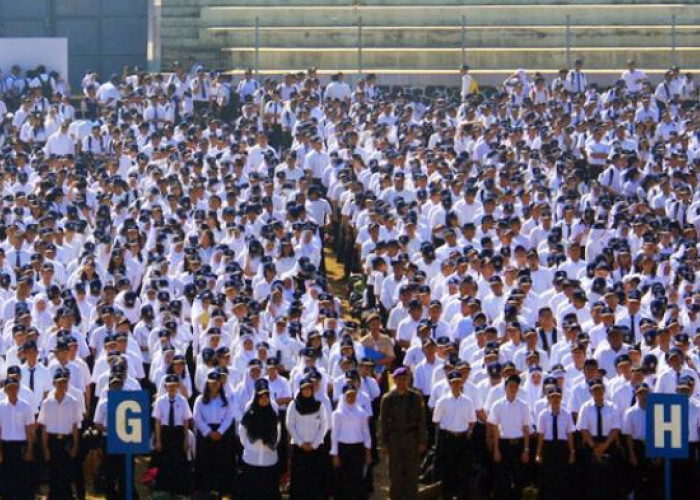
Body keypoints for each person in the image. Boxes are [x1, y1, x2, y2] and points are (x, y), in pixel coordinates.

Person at [379, 366, 428, 500]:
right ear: (394, 380)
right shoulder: (387, 399)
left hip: (411, 439)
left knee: (411, 473)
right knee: (395, 474)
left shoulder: (416, 397)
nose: (402, 382)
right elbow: (383, 422)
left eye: (404, 379)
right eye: (399, 379)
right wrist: (383, 443)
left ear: (409, 380)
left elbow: (421, 421)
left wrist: (422, 440)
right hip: (394, 440)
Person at [38, 368, 82, 500]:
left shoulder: (73, 402)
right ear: (54, 383)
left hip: (66, 441)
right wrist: (45, 448)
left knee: (66, 474)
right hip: (53, 442)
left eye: (64, 382)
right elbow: (44, 428)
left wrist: (75, 446)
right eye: (59, 382)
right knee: (53, 474)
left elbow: (75, 426)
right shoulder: (47, 403)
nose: (62, 385)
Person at [432, 370, 476, 500]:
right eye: (453, 383)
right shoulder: (442, 401)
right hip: (448, 438)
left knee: (462, 470)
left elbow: (472, 421)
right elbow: (436, 421)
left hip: (462, 439)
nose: (456, 385)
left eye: (458, 382)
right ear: (449, 384)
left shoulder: (468, 401)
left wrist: (468, 432)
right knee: (447, 471)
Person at [192, 369, 236, 497]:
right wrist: (208, 432)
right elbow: (197, 417)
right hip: (206, 434)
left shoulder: (226, 399)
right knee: (205, 462)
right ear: (207, 383)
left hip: (222, 433)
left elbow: (229, 417)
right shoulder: (200, 399)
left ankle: (222, 489)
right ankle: (205, 489)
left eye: (217, 383)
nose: (214, 385)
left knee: (223, 462)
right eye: (212, 383)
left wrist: (220, 431)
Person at [576, 378, 622, 500]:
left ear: (604, 390)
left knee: (609, 479)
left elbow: (616, 428)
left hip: (609, 443)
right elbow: (583, 428)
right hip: (591, 443)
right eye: (594, 390)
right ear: (590, 392)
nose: (598, 392)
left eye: (600, 389)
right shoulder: (585, 407)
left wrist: (605, 446)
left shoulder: (612, 407)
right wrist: (594, 447)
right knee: (591, 479)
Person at [487, 373, 531, 500]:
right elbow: (494, 427)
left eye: (516, 386)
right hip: (503, 444)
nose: (513, 388)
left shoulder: (524, 406)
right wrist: (496, 449)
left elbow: (526, 427)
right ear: (505, 387)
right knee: (502, 480)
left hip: (518, 444)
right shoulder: (497, 405)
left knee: (518, 479)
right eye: (510, 385)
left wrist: (526, 450)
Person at [286, 376, 329, 500]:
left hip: (316, 449)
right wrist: (301, 443)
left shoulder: (319, 405)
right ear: (300, 390)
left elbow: (324, 425)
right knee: (300, 480)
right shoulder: (293, 405)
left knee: (315, 479)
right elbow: (290, 425)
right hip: (299, 449)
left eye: (308, 389)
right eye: (304, 389)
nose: (306, 391)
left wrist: (314, 444)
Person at [239, 378, 281, 500]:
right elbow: (243, 430)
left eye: (266, 395)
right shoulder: (250, 407)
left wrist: (270, 445)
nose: (263, 399)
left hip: (269, 458)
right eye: (260, 396)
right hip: (251, 459)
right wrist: (249, 446)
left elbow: (278, 431)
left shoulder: (273, 407)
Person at [152, 373, 192, 496]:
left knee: (179, 460)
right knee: (164, 460)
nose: (172, 388)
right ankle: (164, 487)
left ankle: (179, 488)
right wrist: (158, 440)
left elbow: (186, 420)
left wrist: (186, 439)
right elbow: (158, 421)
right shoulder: (160, 401)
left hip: (178, 432)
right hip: (165, 432)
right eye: (170, 386)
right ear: (165, 386)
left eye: (175, 386)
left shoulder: (183, 400)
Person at [331, 383, 372, 500]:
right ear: (344, 397)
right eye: (348, 396)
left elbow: (366, 433)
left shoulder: (361, 413)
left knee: (357, 478)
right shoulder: (337, 414)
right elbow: (334, 435)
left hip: (357, 450)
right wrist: (335, 455)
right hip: (343, 450)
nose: (351, 398)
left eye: (353, 395)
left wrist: (368, 452)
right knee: (343, 480)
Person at [535, 386, 575, 500]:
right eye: (553, 397)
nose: (556, 400)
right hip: (548, 447)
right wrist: (538, 453)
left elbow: (569, 434)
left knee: (562, 477)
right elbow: (541, 435)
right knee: (548, 477)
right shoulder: (543, 414)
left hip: (562, 448)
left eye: (558, 397)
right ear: (548, 398)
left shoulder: (567, 414)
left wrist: (572, 452)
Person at [0, 377, 35, 500]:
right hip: (5, 445)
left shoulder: (25, 406)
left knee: (22, 477)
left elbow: (29, 429)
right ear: (5, 390)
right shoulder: (1, 406)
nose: (13, 390)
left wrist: (30, 449)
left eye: (15, 387)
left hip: (21, 445)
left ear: (18, 388)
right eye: (10, 388)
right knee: (6, 477)